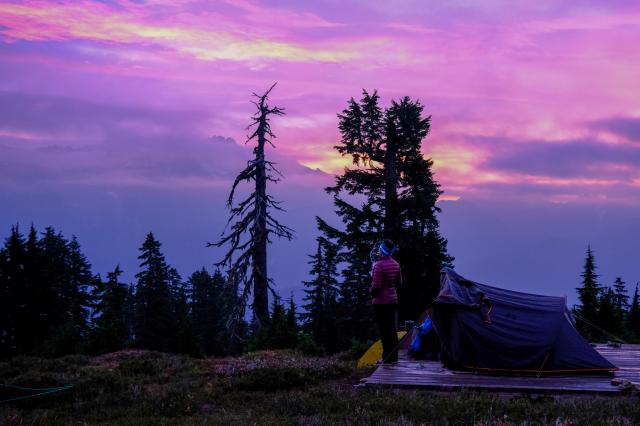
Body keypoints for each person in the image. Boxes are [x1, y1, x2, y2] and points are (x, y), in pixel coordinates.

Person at [369, 239, 402, 364]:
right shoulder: (396, 264)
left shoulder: (378, 266)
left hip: (381, 303)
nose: (377, 252)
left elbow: (376, 287)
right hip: (393, 301)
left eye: (379, 250)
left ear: (382, 251)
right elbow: (399, 283)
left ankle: (387, 359)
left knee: (384, 330)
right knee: (392, 329)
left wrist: (370, 291)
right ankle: (393, 357)